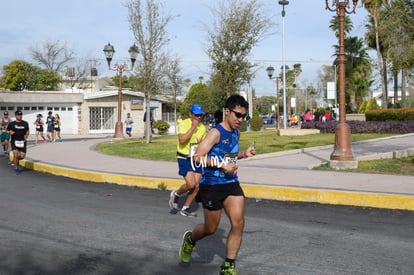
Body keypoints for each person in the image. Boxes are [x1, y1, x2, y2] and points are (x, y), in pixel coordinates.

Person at [179, 94, 256, 275]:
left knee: (238, 223)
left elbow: (228, 155)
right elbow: (197, 156)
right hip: (212, 185)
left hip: (231, 183)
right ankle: (190, 240)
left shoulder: (236, 132)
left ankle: (228, 265)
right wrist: (222, 165)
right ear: (227, 111)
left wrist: (244, 153)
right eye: (237, 115)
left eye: (243, 116)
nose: (240, 119)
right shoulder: (215, 132)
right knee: (210, 229)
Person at [169, 104, 207, 217]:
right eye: (196, 115)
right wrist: (193, 127)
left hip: (196, 158)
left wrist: (201, 145)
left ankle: (185, 208)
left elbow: (204, 143)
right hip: (184, 157)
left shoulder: (203, 128)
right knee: (190, 185)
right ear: (190, 114)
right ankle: (176, 194)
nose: (199, 117)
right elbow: (182, 140)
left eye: (200, 115)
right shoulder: (184, 124)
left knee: (196, 185)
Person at [7, 110, 29, 174]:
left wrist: (26, 135)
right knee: (16, 154)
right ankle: (16, 168)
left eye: (21, 115)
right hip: (14, 141)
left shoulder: (25, 123)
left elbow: (27, 131)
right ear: (15, 116)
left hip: (23, 141)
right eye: (18, 115)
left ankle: (15, 160)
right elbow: (7, 130)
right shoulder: (11, 124)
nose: (20, 116)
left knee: (22, 156)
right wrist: (10, 132)